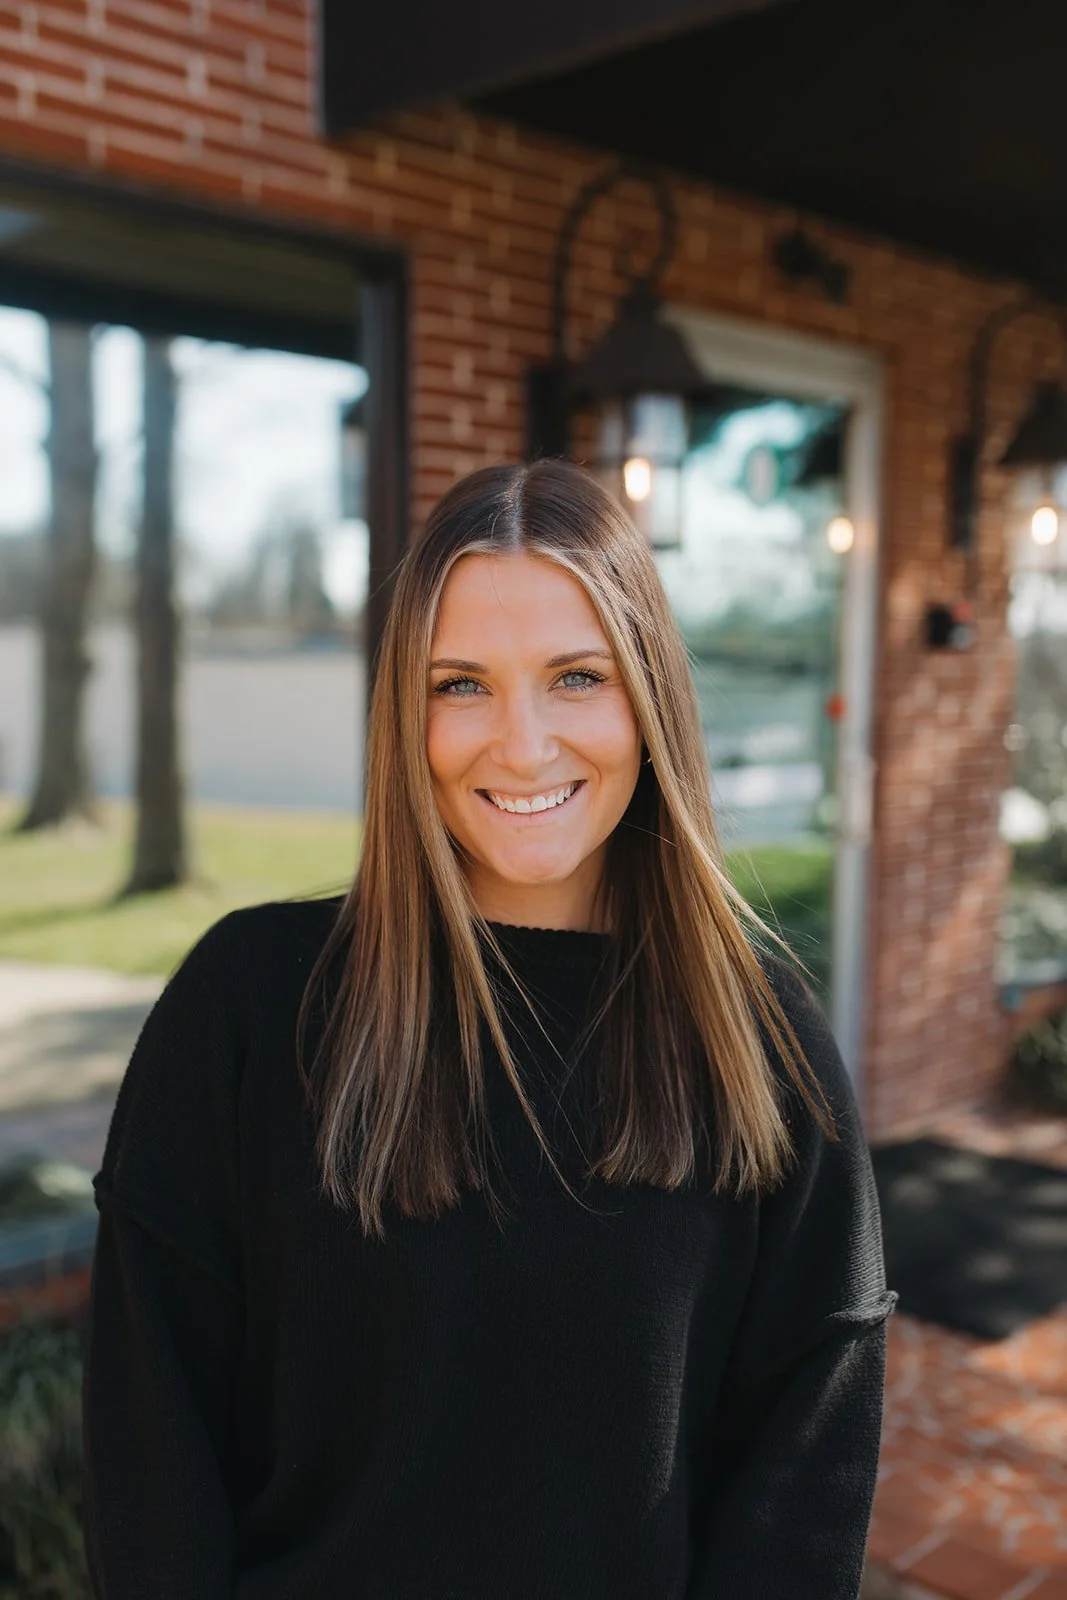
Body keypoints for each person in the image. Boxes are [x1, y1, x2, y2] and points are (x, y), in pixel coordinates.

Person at [81, 458, 896, 1599]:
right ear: (401, 714)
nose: (520, 744)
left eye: (575, 676)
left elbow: (801, 1473)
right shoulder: (249, 1006)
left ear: (649, 694)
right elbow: (150, 1446)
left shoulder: (757, 1035)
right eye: (459, 684)